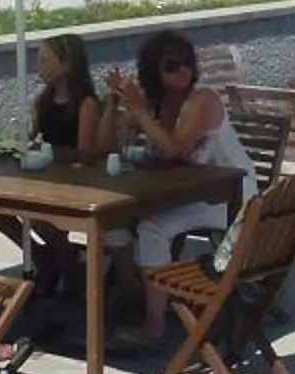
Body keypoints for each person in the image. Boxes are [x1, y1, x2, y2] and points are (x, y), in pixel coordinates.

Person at [102, 29, 253, 338]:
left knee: (151, 227)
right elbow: (111, 146)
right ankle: (131, 290)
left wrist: (140, 111)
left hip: (232, 197)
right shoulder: (159, 104)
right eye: (172, 65)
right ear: (153, 72)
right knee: (117, 220)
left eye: (187, 62)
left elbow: (175, 148)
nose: (183, 70)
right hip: (194, 191)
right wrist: (113, 103)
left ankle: (153, 323)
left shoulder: (202, 100)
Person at [30, 34, 105, 163]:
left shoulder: (86, 104)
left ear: (67, 64)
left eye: (44, 61)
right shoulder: (43, 101)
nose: (38, 68)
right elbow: (30, 137)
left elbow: (84, 153)